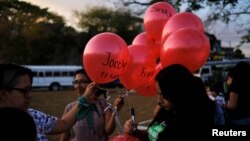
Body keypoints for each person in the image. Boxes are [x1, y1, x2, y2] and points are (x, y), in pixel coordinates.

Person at [0, 63, 122, 141]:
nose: (30, 95)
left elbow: (63, 124)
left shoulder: (35, 117)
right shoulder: (70, 107)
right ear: (3, 93)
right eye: (24, 90)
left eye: (82, 81)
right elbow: (65, 134)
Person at [124, 64, 214, 140]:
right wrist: (134, 132)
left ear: (176, 93)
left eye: (162, 94)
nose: (159, 100)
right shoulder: (167, 110)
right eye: (158, 94)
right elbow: (152, 135)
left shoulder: (192, 124)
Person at [60, 69, 124, 141]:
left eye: (82, 82)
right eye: (76, 82)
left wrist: (116, 110)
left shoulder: (103, 105)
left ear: (92, 83)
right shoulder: (70, 107)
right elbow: (64, 137)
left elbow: (108, 131)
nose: (78, 85)